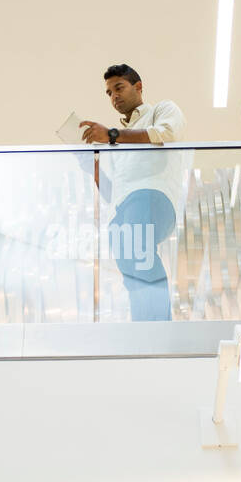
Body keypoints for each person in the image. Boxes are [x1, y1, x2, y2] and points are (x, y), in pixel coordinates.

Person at [80, 66, 186, 321]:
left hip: (153, 197)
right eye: (108, 93)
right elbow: (114, 195)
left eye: (119, 88)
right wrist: (91, 168)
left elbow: (167, 133)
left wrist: (112, 134)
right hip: (126, 207)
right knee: (130, 264)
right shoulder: (120, 143)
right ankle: (144, 323)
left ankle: (160, 324)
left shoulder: (162, 109)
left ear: (138, 87)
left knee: (137, 254)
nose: (114, 97)